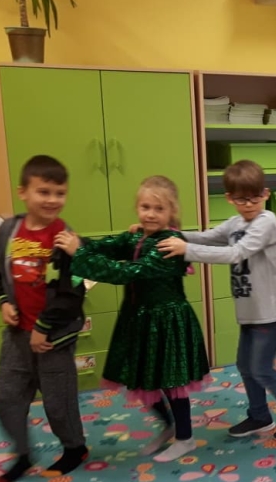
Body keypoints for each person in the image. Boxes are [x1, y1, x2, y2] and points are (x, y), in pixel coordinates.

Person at [157, 161, 276, 442]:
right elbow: (207, 238)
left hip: (273, 311)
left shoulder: (266, 221)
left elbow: (237, 253)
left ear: (266, 193)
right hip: (251, 312)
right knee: (245, 366)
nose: (250, 204)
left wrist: (186, 250)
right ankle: (259, 416)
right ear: (230, 198)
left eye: (255, 197)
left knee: (262, 369)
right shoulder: (235, 224)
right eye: (242, 199)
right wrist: (167, 235)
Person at [56, 176, 211, 463]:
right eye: (145, 207)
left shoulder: (168, 245)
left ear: (172, 212)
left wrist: (80, 254)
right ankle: (170, 425)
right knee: (140, 378)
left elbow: (126, 272)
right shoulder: (139, 236)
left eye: (159, 209)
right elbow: (110, 245)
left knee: (172, 382)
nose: (150, 214)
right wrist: (82, 243)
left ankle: (185, 438)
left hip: (167, 322)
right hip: (140, 320)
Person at [0, 155, 88, 482]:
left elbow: (72, 292)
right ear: (23, 192)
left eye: (60, 193)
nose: (52, 200)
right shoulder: (8, 232)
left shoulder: (65, 238)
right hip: (17, 335)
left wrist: (44, 328)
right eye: (43, 192)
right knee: (7, 398)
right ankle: (22, 454)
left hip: (52, 338)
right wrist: (3, 302)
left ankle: (75, 448)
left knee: (59, 402)